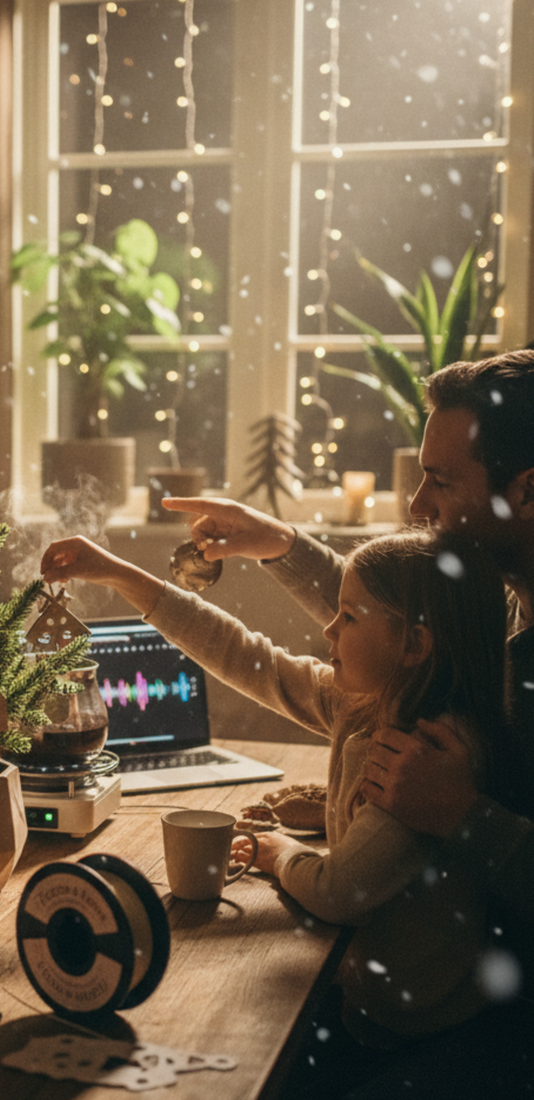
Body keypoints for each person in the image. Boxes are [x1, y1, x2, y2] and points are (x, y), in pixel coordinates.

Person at [41, 528, 515, 1058]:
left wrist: (279, 852)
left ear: (415, 645)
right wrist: (118, 572)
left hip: (413, 1041)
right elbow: (244, 655)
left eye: (350, 617)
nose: (329, 630)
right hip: (378, 1009)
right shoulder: (369, 704)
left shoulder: (419, 758)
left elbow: (339, 892)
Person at [159, 350, 534, 918]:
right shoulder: (497, 609)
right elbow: (395, 615)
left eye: (441, 482)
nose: (416, 504)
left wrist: (460, 813)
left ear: (527, 492)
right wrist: (277, 543)